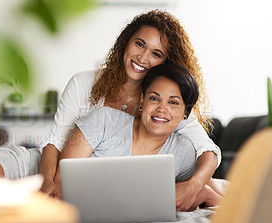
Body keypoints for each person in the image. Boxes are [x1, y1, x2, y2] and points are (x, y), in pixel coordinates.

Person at [0, 10, 221, 211]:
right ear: (126, 43)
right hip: (37, 168)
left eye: (156, 53)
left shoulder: (162, 108)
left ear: (165, 62)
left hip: (84, 190)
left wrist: (194, 186)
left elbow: (208, 151)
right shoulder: (84, 84)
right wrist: (47, 183)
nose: (143, 57)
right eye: (139, 44)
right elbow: (55, 141)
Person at [54, 63, 222, 209]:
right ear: (142, 101)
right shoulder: (103, 120)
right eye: (155, 98)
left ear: (185, 113)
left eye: (173, 102)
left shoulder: (184, 151)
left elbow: (211, 193)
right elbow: (62, 180)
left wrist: (206, 195)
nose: (161, 109)